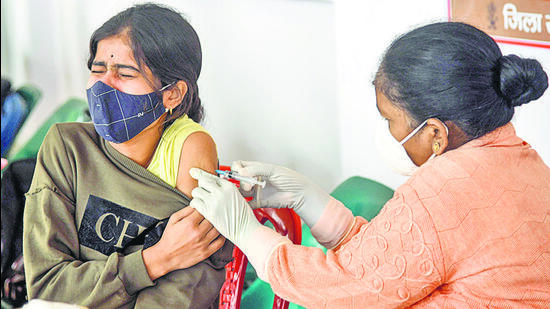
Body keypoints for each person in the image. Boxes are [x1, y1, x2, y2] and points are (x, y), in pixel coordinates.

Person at [189, 22, 550, 308]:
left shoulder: (442, 190)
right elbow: (391, 261)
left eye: (390, 120)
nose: (387, 133)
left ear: (436, 133)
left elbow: (344, 290)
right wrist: (310, 202)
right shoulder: (523, 160)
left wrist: (248, 234)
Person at [23, 4, 231, 308]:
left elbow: (185, 284)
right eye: (97, 69)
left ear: (172, 94)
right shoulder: (68, 147)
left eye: (125, 73)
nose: (104, 85)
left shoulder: (190, 149)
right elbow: (47, 286)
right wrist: (154, 260)